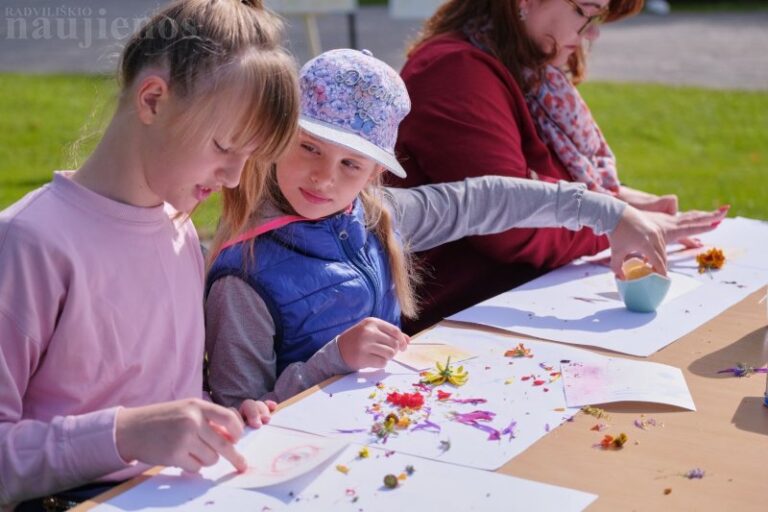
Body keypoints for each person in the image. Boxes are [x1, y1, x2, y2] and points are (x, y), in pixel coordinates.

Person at [203, 48, 724, 407]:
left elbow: (486, 199)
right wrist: (333, 360)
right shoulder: (244, 273)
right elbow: (241, 413)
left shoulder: (377, 216)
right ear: (277, 139)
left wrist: (609, 212)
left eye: (351, 165)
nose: (323, 176)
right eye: (309, 147)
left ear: (375, 174)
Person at [0, 0, 299, 507]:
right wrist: (124, 434)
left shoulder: (179, 233)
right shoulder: (28, 244)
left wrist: (215, 423)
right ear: (154, 100)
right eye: (226, 146)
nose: (232, 177)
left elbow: (164, 402)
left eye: (248, 158)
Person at [389, 0, 724, 333]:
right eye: (583, 11)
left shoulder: (520, 67)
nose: (592, 33)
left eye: (598, 18)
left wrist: (625, 202)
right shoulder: (454, 71)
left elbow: (540, 176)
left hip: (511, 307)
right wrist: (614, 221)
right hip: (452, 325)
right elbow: (509, 222)